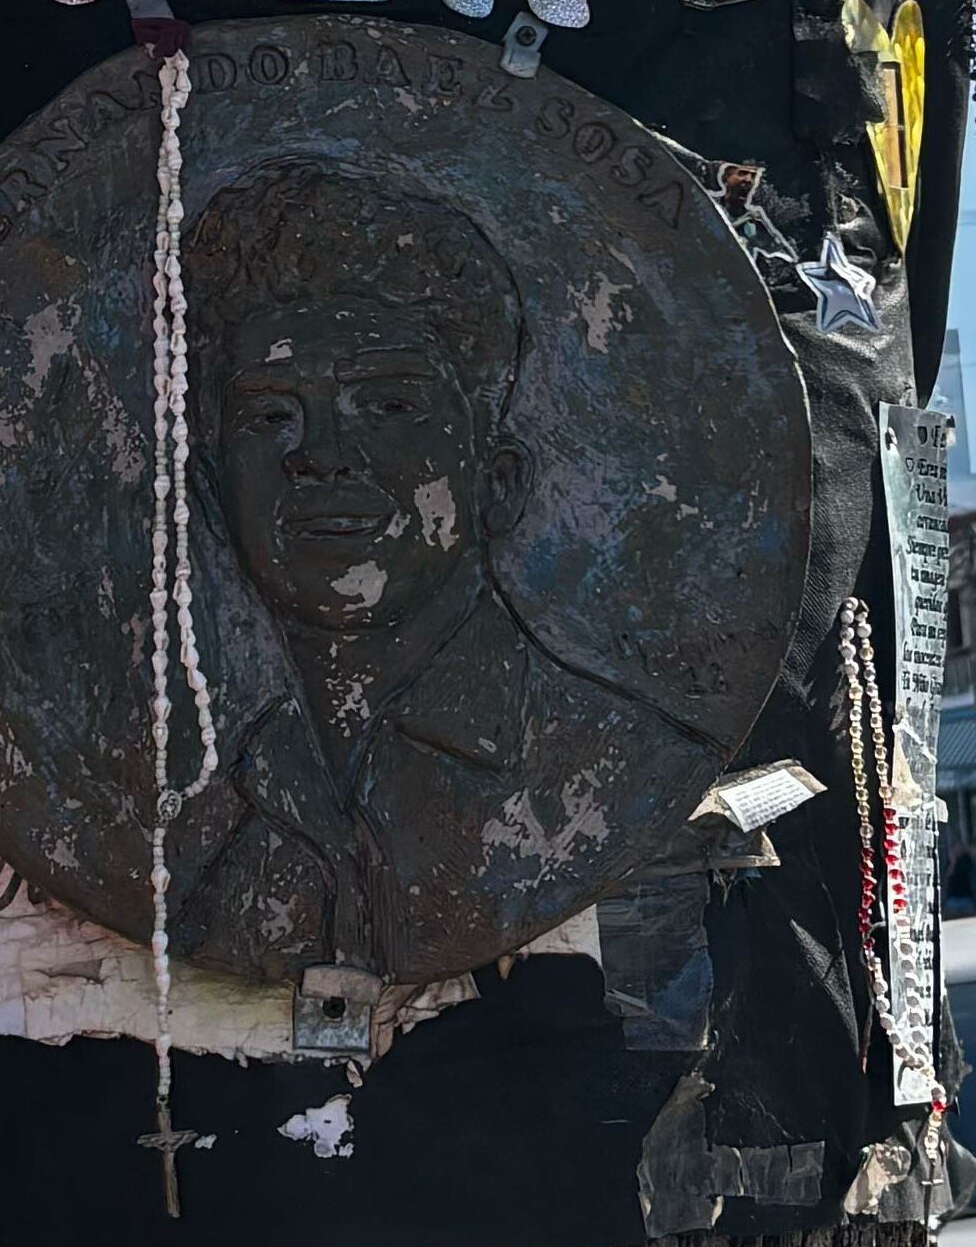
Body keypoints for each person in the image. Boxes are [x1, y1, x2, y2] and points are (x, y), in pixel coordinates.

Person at [159, 157, 706, 981]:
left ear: (497, 481)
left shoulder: (627, 775)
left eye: (388, 406)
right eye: (270, 414)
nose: (321, 457)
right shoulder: (204, 809)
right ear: (211, 491)